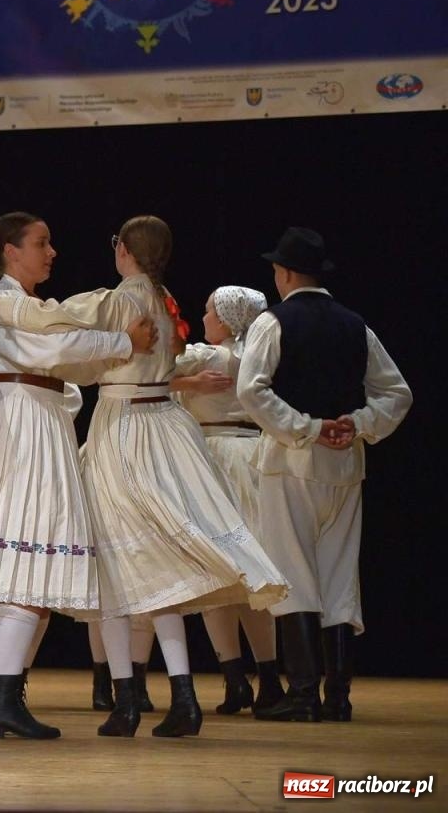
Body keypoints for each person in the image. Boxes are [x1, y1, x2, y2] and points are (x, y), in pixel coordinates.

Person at [0, 215, 288, 739]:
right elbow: (150, 362)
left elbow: (53, 317)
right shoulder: (164, 301)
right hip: (165, 426)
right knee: (152, 564)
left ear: (124, 251)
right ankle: (171, 695)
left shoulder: (120, 299)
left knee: (118, 564)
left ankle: (130, 698)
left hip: (125, 430)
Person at [0, 212, 152, 739]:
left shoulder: (29, 306)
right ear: (10, 250)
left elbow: (69, 363)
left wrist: (113, 348)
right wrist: (120, 342)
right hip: (20, 424)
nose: (52, 252)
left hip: (41, 421)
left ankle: (3, 697)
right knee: (27, 553)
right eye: (41, 243)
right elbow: (47, 351)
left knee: (34, 563)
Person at [237, 227, 411, 723]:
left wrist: (306, 428)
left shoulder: (274, 321)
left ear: (286, 274)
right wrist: (356, 423)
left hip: (291, 462)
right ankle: (337, 695)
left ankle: (304, 694)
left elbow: (251, 389)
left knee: (293, 572)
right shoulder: (356, 325)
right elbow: (397, 393)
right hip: (344, 466)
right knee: (338, 577)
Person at [171, 285, 284, 715]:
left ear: (226, 318)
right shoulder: (261, 357)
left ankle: (236, 680)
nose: (203, 319)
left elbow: (149, 373)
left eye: (208, 311)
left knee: (217, 575)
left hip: (214, 458)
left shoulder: (209, 357)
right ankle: (269, 678)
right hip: (255, 457)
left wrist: (188, 383)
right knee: (253, 578)